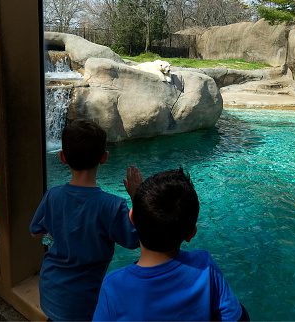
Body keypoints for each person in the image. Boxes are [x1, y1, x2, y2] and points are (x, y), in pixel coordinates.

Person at [93, 168, 249, 321]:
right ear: (191, 234)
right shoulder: (205, 267)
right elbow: (238, 318)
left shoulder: (113, 287)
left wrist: (139, 200)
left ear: (131, 218)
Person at [30, 119, 139, 321]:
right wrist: (137, 199)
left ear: (62, 157)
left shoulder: (52, 195)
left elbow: (35, 231)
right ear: (104, 157)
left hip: (50, 291)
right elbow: (133, 240)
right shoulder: (112, 206)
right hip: (83, 302)